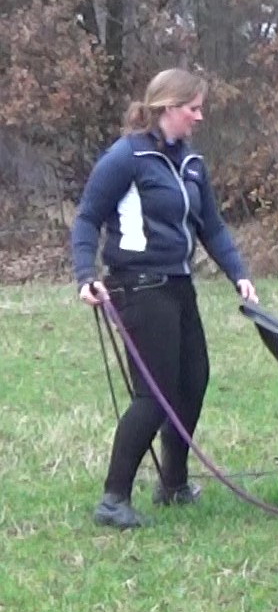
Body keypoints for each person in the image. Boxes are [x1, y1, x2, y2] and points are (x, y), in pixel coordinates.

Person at [71, 68, 258, 529]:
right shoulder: (126, 157)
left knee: (193, 382)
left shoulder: (191, 163)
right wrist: (84, 275)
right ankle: (113, 499)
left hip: (179, 287)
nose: (200, 116)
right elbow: (87, 218)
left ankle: (172, 484)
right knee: (153, 395)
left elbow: (211, 226)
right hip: (137, 288)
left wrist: (239, 274)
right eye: (193, 107)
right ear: (168, 108)